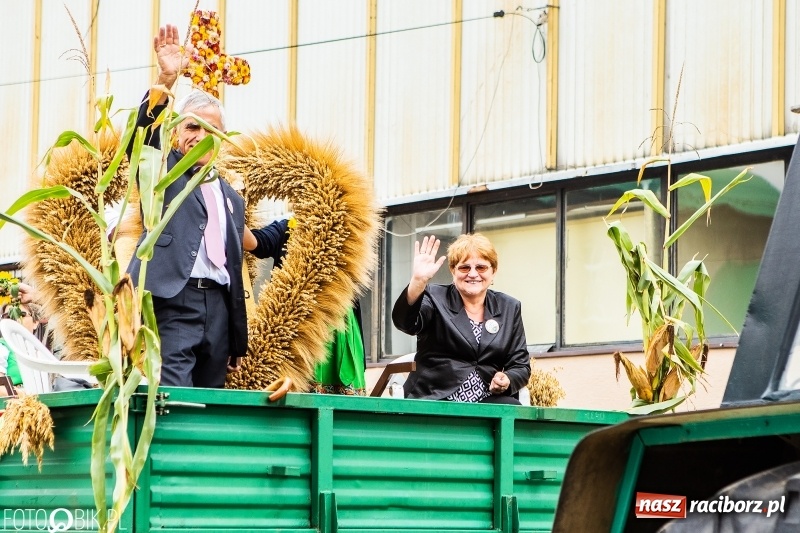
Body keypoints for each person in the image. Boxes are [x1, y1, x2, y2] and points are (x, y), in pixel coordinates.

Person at [126, 24, 287, 387]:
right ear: (176, 133)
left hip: (217, 311)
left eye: (209, 131)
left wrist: (234, 333)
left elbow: (233, 267)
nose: (199, 137)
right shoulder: (162, 175)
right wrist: (166, 79)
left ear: (221, 140)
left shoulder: (232, 198)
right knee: (175, 401)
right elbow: (142, 140)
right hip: (171, 303)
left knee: (210, 406)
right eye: (191, 127)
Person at [392, 233, 531, 404]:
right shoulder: (434, 296)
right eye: (464, 268)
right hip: (436, 397)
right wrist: (418, 281)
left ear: (493, 271)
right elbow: (405, 323)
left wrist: (507, 379)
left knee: (511, 408)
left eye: (481, 267)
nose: (473, 274)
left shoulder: (509, 307)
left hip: (487, 401)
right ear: (453, 270)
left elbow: (521, 365)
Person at [0, 302, 44, 389]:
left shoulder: (40, 351)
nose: (14, 320)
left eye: (21, 314)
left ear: (35, 322)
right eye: (8, 316)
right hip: (15, 400)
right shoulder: (2, 347)